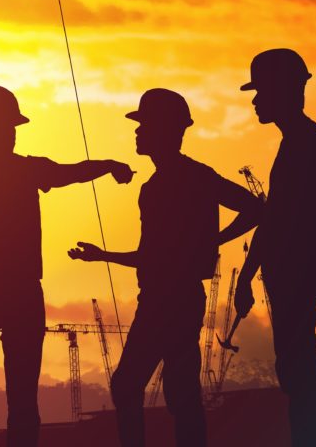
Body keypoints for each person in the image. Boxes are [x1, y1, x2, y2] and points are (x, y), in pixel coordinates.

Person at [0, 84, 134, 447]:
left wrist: (108, 166)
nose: (10, 134)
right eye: (7, 126)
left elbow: (70, 172)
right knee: (5, 394)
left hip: (0, 294)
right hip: (10, 294)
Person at [69, 88, 262, 447]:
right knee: (180, 391)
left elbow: (253, 208)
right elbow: (152, 255)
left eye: (145, 126)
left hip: (167, 300)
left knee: (131, 385)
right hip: (174, 298)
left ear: (166, 130)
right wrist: (103, 256)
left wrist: (212, 242)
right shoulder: (163, 184)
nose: (138, 133)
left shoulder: (185, 179)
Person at [221, 49, 316, 446]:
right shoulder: (299, 142)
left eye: (261, 92)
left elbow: (276, 220)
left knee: (298, 371)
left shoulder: (301, 145)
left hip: (296, 267)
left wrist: (248, 276)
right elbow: (274, 217)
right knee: (296, 368)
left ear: (283, 90)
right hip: (296, 266)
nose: (255, 101)